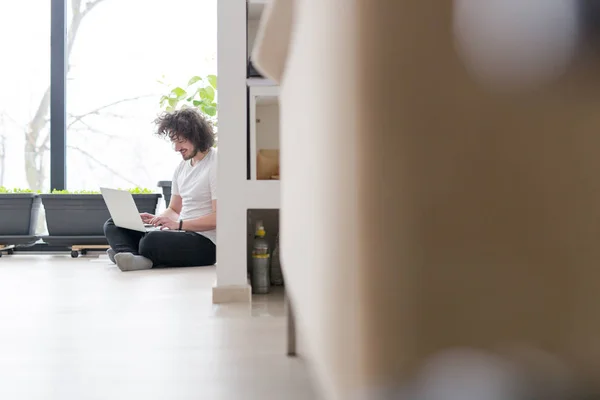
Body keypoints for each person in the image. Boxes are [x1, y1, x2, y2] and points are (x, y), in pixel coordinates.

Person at [103, 107, 217, 271]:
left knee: (151, 241)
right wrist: (157, 220)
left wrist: (178, 225)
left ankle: (129, 253)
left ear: (196, 136)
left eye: (181, 141)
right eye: (174, 142)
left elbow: (218, 218)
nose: (176, 148)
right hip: (182, 233)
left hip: (207, 243)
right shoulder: (182, 167)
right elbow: (174, 208)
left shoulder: (216, 164)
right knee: (114, 223)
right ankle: (131, 256)